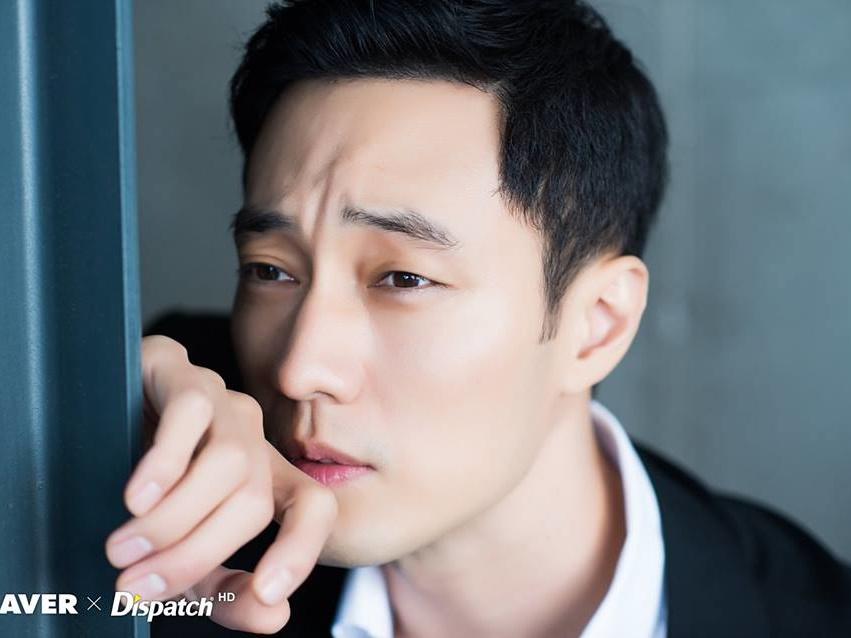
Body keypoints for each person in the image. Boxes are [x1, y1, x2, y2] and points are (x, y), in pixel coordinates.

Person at [106, 1, 851, 636]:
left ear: (597, 322)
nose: (300, 369)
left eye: (403, 278)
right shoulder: (154, 447)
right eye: (270, 270)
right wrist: (70, 483)